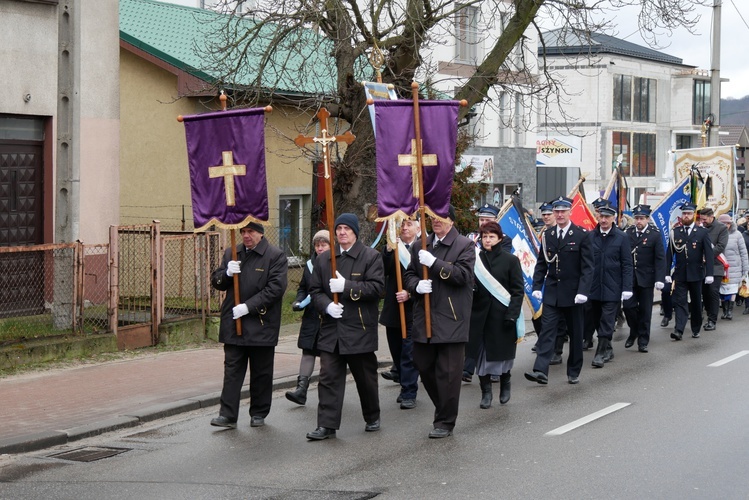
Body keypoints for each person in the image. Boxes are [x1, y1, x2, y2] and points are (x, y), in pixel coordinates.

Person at [306, 214, 385, 440]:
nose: (341, 232)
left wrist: (347, 287)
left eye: (346, 229)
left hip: (359, 328)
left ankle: (372, 415)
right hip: (332, 329)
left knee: (365, 378)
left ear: (355, 232)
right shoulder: (324, 260)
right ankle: (326, 425)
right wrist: (327, 305)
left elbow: (377, 288)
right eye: (338, 228)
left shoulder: (370, 257)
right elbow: (315, 291)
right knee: (328, 378)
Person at [403, 205, 475, 438]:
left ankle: (445, 421)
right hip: (425, 318)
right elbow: (410, 275)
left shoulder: (465, 245)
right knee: (423, 366)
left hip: (451, 319)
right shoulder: (419, 245)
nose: (436, 221)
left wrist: (434, 264)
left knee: (449, 373)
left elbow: (463, 276)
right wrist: (416, 285)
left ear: (452, 221)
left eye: (441, 217)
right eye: (432, 217)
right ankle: (443, 407)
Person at [209, 221, 288, 429]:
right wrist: (226, 274)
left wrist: (248, 306)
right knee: (232, 370)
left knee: (261, 371)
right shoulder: (232, 253)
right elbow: (216, 282)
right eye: (243, 231)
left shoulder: (275, 256)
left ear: (260, 233)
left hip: (261, 322)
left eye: (250, 231)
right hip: (234, 323)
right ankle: (227, 414)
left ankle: (259, 412)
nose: (246, 236)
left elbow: (275, 289)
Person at [526, 196, 593, 385]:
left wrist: (583, 291)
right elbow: (541, 264)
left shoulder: (582, 235)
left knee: (575, 333)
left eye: (563, 211)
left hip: (574, 294)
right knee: (547, 331)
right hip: (553, 293)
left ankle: (574, 370)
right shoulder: (548, 235)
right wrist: (537, 286)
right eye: (557, 211)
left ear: (570, 212)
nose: (560, 214)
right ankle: (540, 370)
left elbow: (588, 267)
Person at [467, 221, 524, 408]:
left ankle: (505, 382)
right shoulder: (475, 260)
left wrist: (512, 315)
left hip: (502, 317)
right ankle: (486, 392)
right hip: (480, 317)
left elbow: (517, 291)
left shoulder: (511, 260)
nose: (487, 240)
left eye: (491, 236)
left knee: (503, 356)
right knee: (482, 356)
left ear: (499, 238)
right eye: (484, 237)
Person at [463, 203, 507, 383]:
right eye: (481, 219)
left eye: (487, 220)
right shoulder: (470, 238)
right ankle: (468, 368)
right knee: (474, 332)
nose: (483, 222)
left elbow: (501, 263)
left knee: (492, 334)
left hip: (495, 294)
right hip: (475, 293)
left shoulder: (505, 240)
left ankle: (494, 370)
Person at [379, 218, 420, 409]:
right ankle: (404, 381)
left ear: (418, 228)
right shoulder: (393, 248)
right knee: (396, 351)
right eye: (402, 224)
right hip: (394, 309)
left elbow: (428, 280)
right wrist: (388, 251)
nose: (404, 227)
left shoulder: (423, 247)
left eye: (409, 224)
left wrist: (410, 294)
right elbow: (383, 271)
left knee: (409, 352)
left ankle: (409, 391)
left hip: (414, 309)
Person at [286, 230, 330, 405]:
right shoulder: (310, 265)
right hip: (311, 316)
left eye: (323, 245)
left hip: (329, 316)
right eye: (317, 245)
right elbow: (303, 288)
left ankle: (328, 392)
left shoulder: (337, 263)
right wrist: (298, 301)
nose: (320, 249)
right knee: (308, 351)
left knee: (329, 356)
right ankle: (301, 390)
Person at [666, 203, 714, 340]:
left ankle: (695, 328)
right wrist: (666, 273)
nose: (686, 216)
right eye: (684, 214)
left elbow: (709, 254)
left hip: (696, 273)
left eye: (689, 214)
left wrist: (709, 273)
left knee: (696, 302)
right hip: (680, 274)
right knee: (680, 302)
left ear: (694, 215)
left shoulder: (702, 232)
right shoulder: (675, 232)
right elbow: (669, 254)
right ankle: (679, 330)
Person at [622, 204, 666, 353]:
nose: (639, 221)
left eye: (642, 218)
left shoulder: (654, 235)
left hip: (647, 278)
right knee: (628, 307)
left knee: (645, 311)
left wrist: (660, 278)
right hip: (630, 278)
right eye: (637, 218)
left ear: (647, 219)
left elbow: (660, 258)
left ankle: (643, 340)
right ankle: (634, 331)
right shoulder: (627, 233)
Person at [530, 201, 569, 364]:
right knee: (538, 316)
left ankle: (557, 349)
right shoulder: (542, 234)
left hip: (561, 282)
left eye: (549, 214)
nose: (546, 217)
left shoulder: (565, 233)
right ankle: (545, 342)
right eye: (544, 214)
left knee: (559, 319)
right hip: (544, 281)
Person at [698, 207, 728, 331]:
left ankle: (712, 320)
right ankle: (708, 313)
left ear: (711, 217)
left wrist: (707, 256)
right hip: (701, 267)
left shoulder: (722, 228)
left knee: (713, 292)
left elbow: (721, 246)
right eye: (701, 219)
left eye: (704, 219)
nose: (702, 221)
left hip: (715, 265)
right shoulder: (700, 228)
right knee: (705, 293)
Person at [717, 214, 749, 320]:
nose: (726, 225)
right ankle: (725, 310)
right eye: (723, 223)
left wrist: (745, 268)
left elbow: (743, 252)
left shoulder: (737, 234)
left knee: (732, 289)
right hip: (720, 265)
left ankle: (730, 310)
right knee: (721, 289)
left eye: (727, 223)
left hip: (734, 267)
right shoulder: (716, 234)